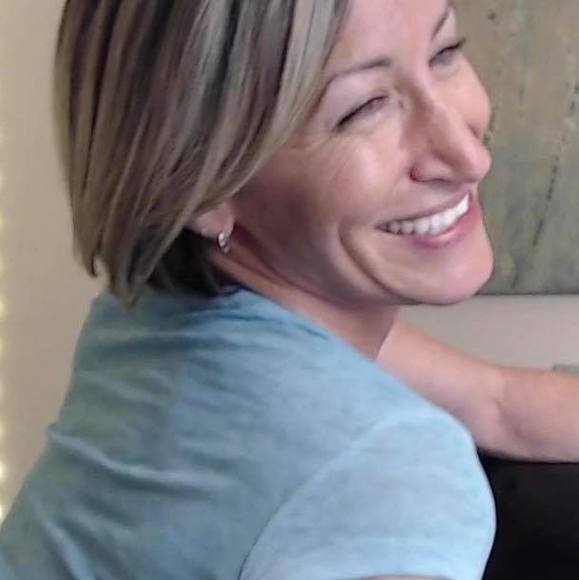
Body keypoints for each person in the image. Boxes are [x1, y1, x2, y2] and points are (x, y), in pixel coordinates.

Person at [0, 0, 578, 578]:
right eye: (364, 107)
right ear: (201, 182)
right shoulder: (383, 473)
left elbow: (495, 401)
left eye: (445, 52)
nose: (469, 155)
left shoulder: (153, 319)